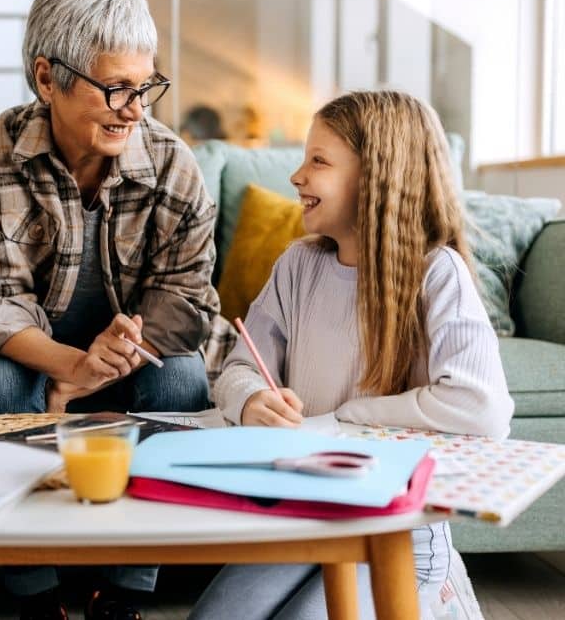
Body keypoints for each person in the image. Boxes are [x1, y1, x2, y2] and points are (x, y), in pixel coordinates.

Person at [0, 0, 225, 620]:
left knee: (182, 381)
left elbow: (187, 298)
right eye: (115, 88)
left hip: (134, 354)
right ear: (47, 78)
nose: (135, 108)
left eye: (146, 86)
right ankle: (34, 593)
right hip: (35, 353)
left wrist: (125, 347)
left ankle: (127, 590)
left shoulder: (173, 165)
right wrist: (72, 366)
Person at [195, 90, 514, 619]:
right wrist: (251, 398)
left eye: (318, 161)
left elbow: (481, 408)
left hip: (395, 537)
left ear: (377, 178)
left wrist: (343, 418)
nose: (297, 176)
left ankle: (442, 602)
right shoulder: (297, 267)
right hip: (306, 519)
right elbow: (239, 367)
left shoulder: (437, 273)